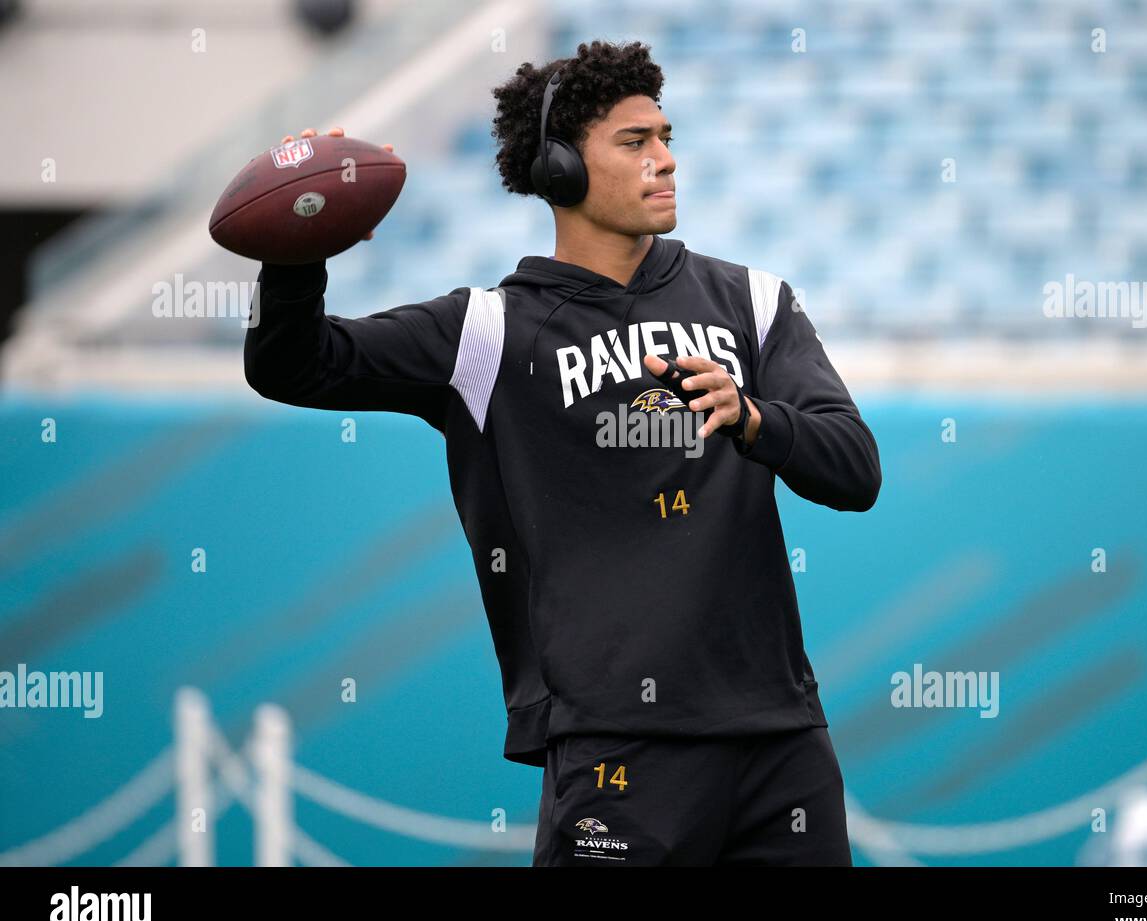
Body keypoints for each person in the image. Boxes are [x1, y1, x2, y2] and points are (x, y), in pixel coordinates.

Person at [245, 39, 882, 866]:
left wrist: (756, 419)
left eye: (666, 137)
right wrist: (297, 247)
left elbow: (856, 469)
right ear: (559, 169)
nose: (666, 160)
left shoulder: (753, 302)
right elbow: (292, 365)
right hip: (618, 750)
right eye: (635, 142)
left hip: (782, 739)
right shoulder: (486, 331)